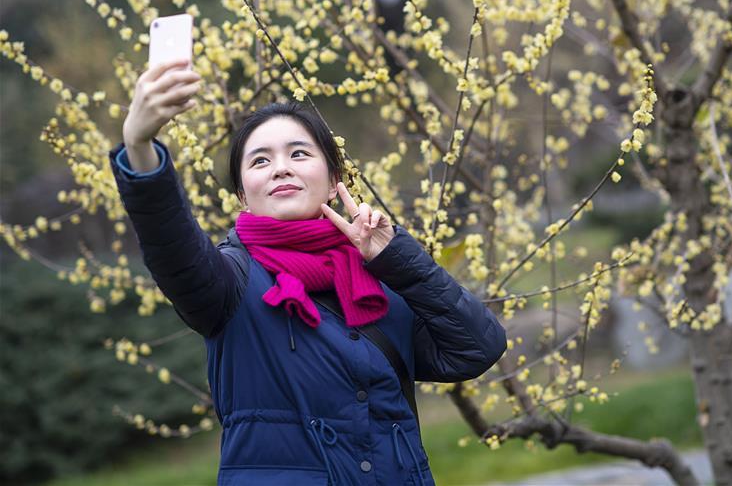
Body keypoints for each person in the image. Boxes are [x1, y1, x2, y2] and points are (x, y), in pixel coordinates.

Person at [110, 59, 507, 486]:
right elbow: (172, 245)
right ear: (243, 195)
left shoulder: (380, 282)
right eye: (260, 161)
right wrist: (139, 146)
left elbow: (475, 348)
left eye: (299, 153)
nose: (281, 167)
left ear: (334, 178)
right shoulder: (228, 283)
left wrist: (397, 258)